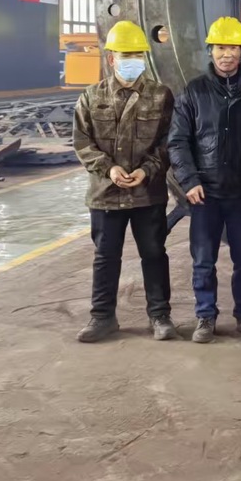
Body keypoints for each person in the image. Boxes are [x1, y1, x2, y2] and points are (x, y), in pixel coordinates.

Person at [73, 20, 176, 342]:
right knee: (105, 258)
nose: (132, 61)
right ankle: (102, 318)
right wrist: (109, 169)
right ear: (111, 58)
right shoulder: (91, 97)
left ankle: (160, 316)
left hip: (148, 193)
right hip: (106, 193)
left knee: (154, 254)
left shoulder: (160, 96)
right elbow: (82, 142)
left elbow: (168, 142)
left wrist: (147, 170)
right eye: (125, 55)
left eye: (137, 55)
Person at [168, 16, 241, 344]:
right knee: (203, 260)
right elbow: (178, 141)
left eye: (233, 48)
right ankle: (205, 316)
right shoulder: (194, 92)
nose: (227, 54)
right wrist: (189, 180)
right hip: (204, 194)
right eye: (221, 47)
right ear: (210, 50)